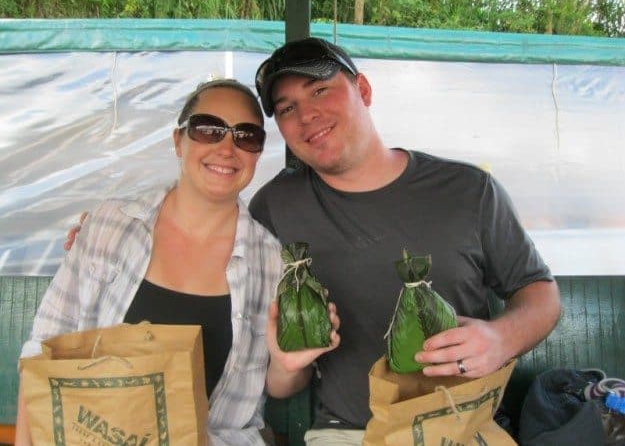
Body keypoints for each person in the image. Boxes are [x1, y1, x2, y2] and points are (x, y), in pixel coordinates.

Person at [248, 37, 561, 445]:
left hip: (463, 425)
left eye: (320, 90)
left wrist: (502, 338)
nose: (307, 115)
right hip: (348, 434)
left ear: (363, 90)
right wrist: (288, 363)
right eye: (287, 108)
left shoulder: (468, 190)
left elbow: (540, 293)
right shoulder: (275, 207)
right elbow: (282, 383)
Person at [15, 79, 333, 446]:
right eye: (208, 130)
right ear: (178, 140)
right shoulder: (111, 226)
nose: (227, 148)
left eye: (246, 137)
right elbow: (42, 352)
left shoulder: (271, 263)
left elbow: (279, 385)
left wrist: (289, 362)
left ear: (258, 154)